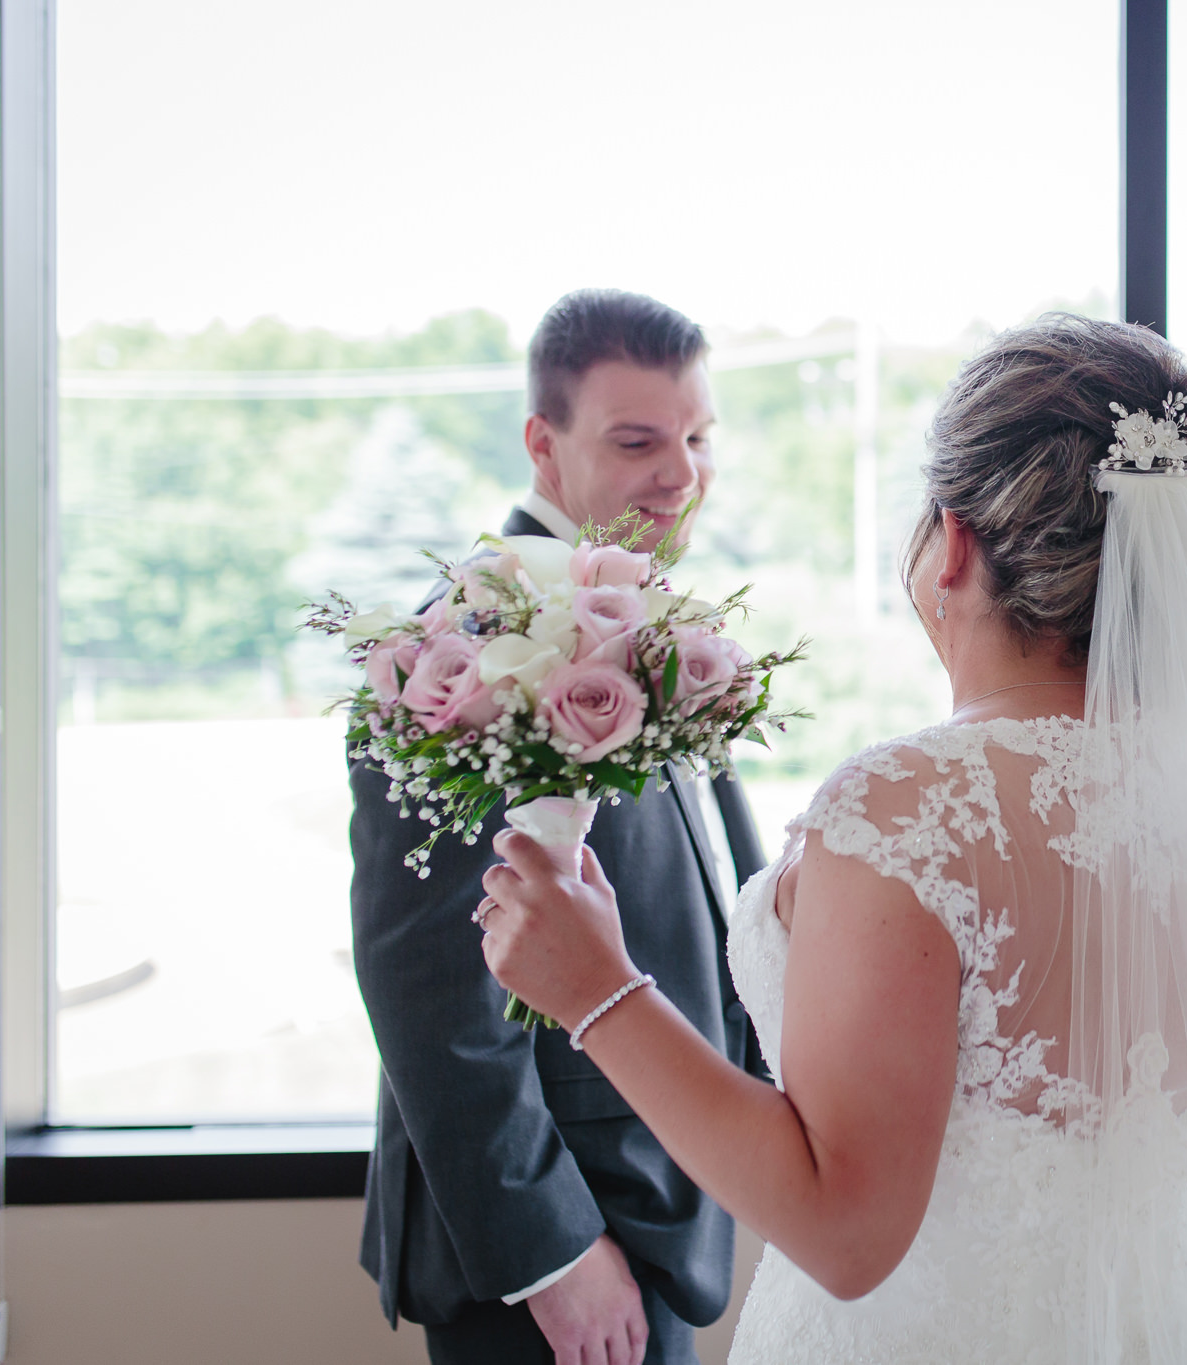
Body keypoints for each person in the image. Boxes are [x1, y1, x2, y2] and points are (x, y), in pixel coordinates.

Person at [476, 314, 1187, 1362]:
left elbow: (846, 1240)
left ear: (955, 541)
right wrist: (1127, 1124)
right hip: (1167, 1320)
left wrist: (600, 996)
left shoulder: (900, 805)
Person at [350, 288, 768, 1365]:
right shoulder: (451, 649)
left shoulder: (655, 619)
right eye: (637, 441)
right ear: (544, 445)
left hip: (670, 1194)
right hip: (562, 1238)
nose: (680, 472)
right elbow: (425, 975)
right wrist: (552, 1252)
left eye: (695, 438)